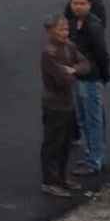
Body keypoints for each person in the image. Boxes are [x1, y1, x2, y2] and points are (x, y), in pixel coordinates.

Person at [63, 0, 110, 183]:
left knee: (92, 119)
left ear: (90, 4)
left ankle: (95, 160)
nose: (77, 6)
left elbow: (101, 53)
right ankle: (93, 154)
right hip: (79, 76)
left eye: (82, 3)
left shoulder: (93, 25)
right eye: (75, 3)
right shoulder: (75, 22)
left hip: (90, 77)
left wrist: (104, 74)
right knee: (85, 118)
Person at [38, 15, 86, 195]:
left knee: (65, 143)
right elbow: (61, 79)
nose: (65, 33)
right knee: (53, 143)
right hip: (54, 105)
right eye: (61, 29)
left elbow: (85, 64)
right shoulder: (49, 53)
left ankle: (61, 176)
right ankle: (50, 181)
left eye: (66, 29)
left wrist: (72, 69)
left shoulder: (70, 46)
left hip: (67, 104)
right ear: (50, 31)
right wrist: (72, 72)